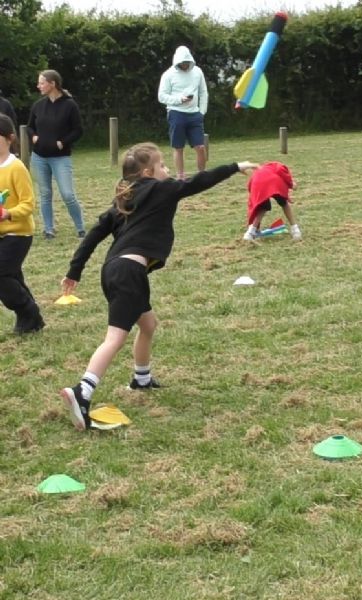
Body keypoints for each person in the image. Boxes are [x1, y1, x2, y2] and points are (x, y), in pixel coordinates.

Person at [59, 141, 257, 431]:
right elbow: (198, 182)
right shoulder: (161, 189)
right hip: (129, 272)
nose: (167, 169)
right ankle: (82, 392)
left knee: (148, 324)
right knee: (115, 338)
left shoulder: (123, 201)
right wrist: (234, 167)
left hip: (115, 270)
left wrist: (74, 271)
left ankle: (141, 379)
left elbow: (93, 235)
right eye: (162, 165)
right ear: (148, 172)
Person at [27, 69, 85, 240]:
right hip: (39, 157)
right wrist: (34, 137)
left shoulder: (69, 105)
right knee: (45, 194)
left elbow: (78, 130)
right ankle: (49, 229)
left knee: (68, 194)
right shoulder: (38, 105)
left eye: (42, 83)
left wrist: (63, 142)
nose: (38, 86)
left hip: (60, 158)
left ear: (52, 84)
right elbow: (30, 127)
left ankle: (80, 228)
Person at [0, 114, 45, 334]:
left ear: (10, 139)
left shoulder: (16, 167)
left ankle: (27, 310)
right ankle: (32, 319)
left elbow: (28, 204)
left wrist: (8, 213)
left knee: (2, 275)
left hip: (18, 234)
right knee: (13, 277)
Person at [158, 46, 209, 179]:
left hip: (195, 114)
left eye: (187, 62)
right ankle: (181, 176)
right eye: (182, 63)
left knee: (200, 147)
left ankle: (202, 175)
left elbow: (203, 92)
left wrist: (202, 112)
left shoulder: (197, 71)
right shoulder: (168, 74)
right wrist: (179, 99)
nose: (185, 65)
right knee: (178, 147)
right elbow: (161, 96)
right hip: (176, 113)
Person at [243, 161, 302, 241]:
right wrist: (291, 183)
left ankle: (250, 233)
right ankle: (295, 230)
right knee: (284, 203)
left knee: (262, 207)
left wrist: (256, 227)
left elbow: (250, 187)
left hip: (257, 185)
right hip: (274, 181)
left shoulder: (259, 171)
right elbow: (281, 170)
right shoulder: (276, 165)